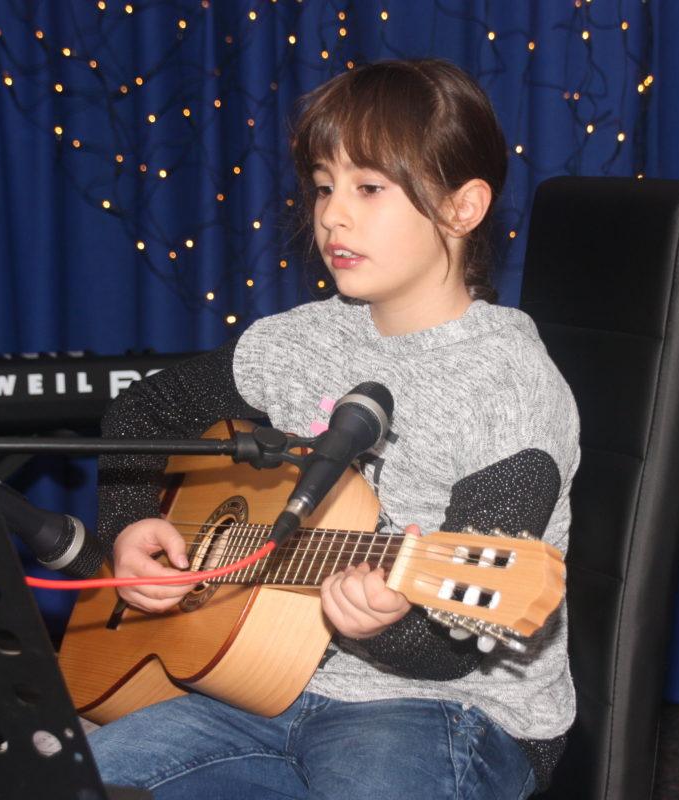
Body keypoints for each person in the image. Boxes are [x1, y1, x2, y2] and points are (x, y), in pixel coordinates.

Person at [89, 58, 580, 799]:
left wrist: (382, 623)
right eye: (324, 187)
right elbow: (142, 413)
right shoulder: (300, 341)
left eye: (369, 188)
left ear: (462, 208)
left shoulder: (510, 389)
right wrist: (128, 527)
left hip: (447, 709)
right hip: (260, 680)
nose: (332, 217)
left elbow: (455, 652)